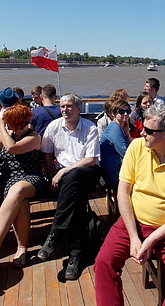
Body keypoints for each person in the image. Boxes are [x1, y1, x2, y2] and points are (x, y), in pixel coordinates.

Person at [94, 103, 165, 306]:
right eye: (143, 128)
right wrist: (135, 237)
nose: (142, 133)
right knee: (103, 264)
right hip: (132, 222)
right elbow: (123, 192)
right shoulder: (137, 147)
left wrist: (152, 238)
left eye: (149, 131)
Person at [38, 93, 101, 280]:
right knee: (77, 201)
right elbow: (47, 156)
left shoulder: (89, 128)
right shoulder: (54, 127)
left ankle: (55, 233)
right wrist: (52, 178)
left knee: (74, 175)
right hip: (65, 179)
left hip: (87, 172)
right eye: (63, 106)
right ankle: (75, 255)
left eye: (70, 106)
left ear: (79, 108)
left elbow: (90, 160)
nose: (65, 109)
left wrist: (62, 172)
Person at [0, 105, 48, 268]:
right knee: (20, 201)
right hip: (8, 179)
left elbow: (12, 148)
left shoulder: (34, 137)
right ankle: (22, 248)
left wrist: (0, 128)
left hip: (30, 178)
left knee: (18, 190)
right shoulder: (9, 135)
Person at [100, 99, 132, 190]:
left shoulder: (121, 128)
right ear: (113, 114)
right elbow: (126, 153)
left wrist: (127, 133)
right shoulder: (114, 129)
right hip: (115, 174)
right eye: (122, 112)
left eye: (128, 111)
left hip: (119, 169)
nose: (125, 114)